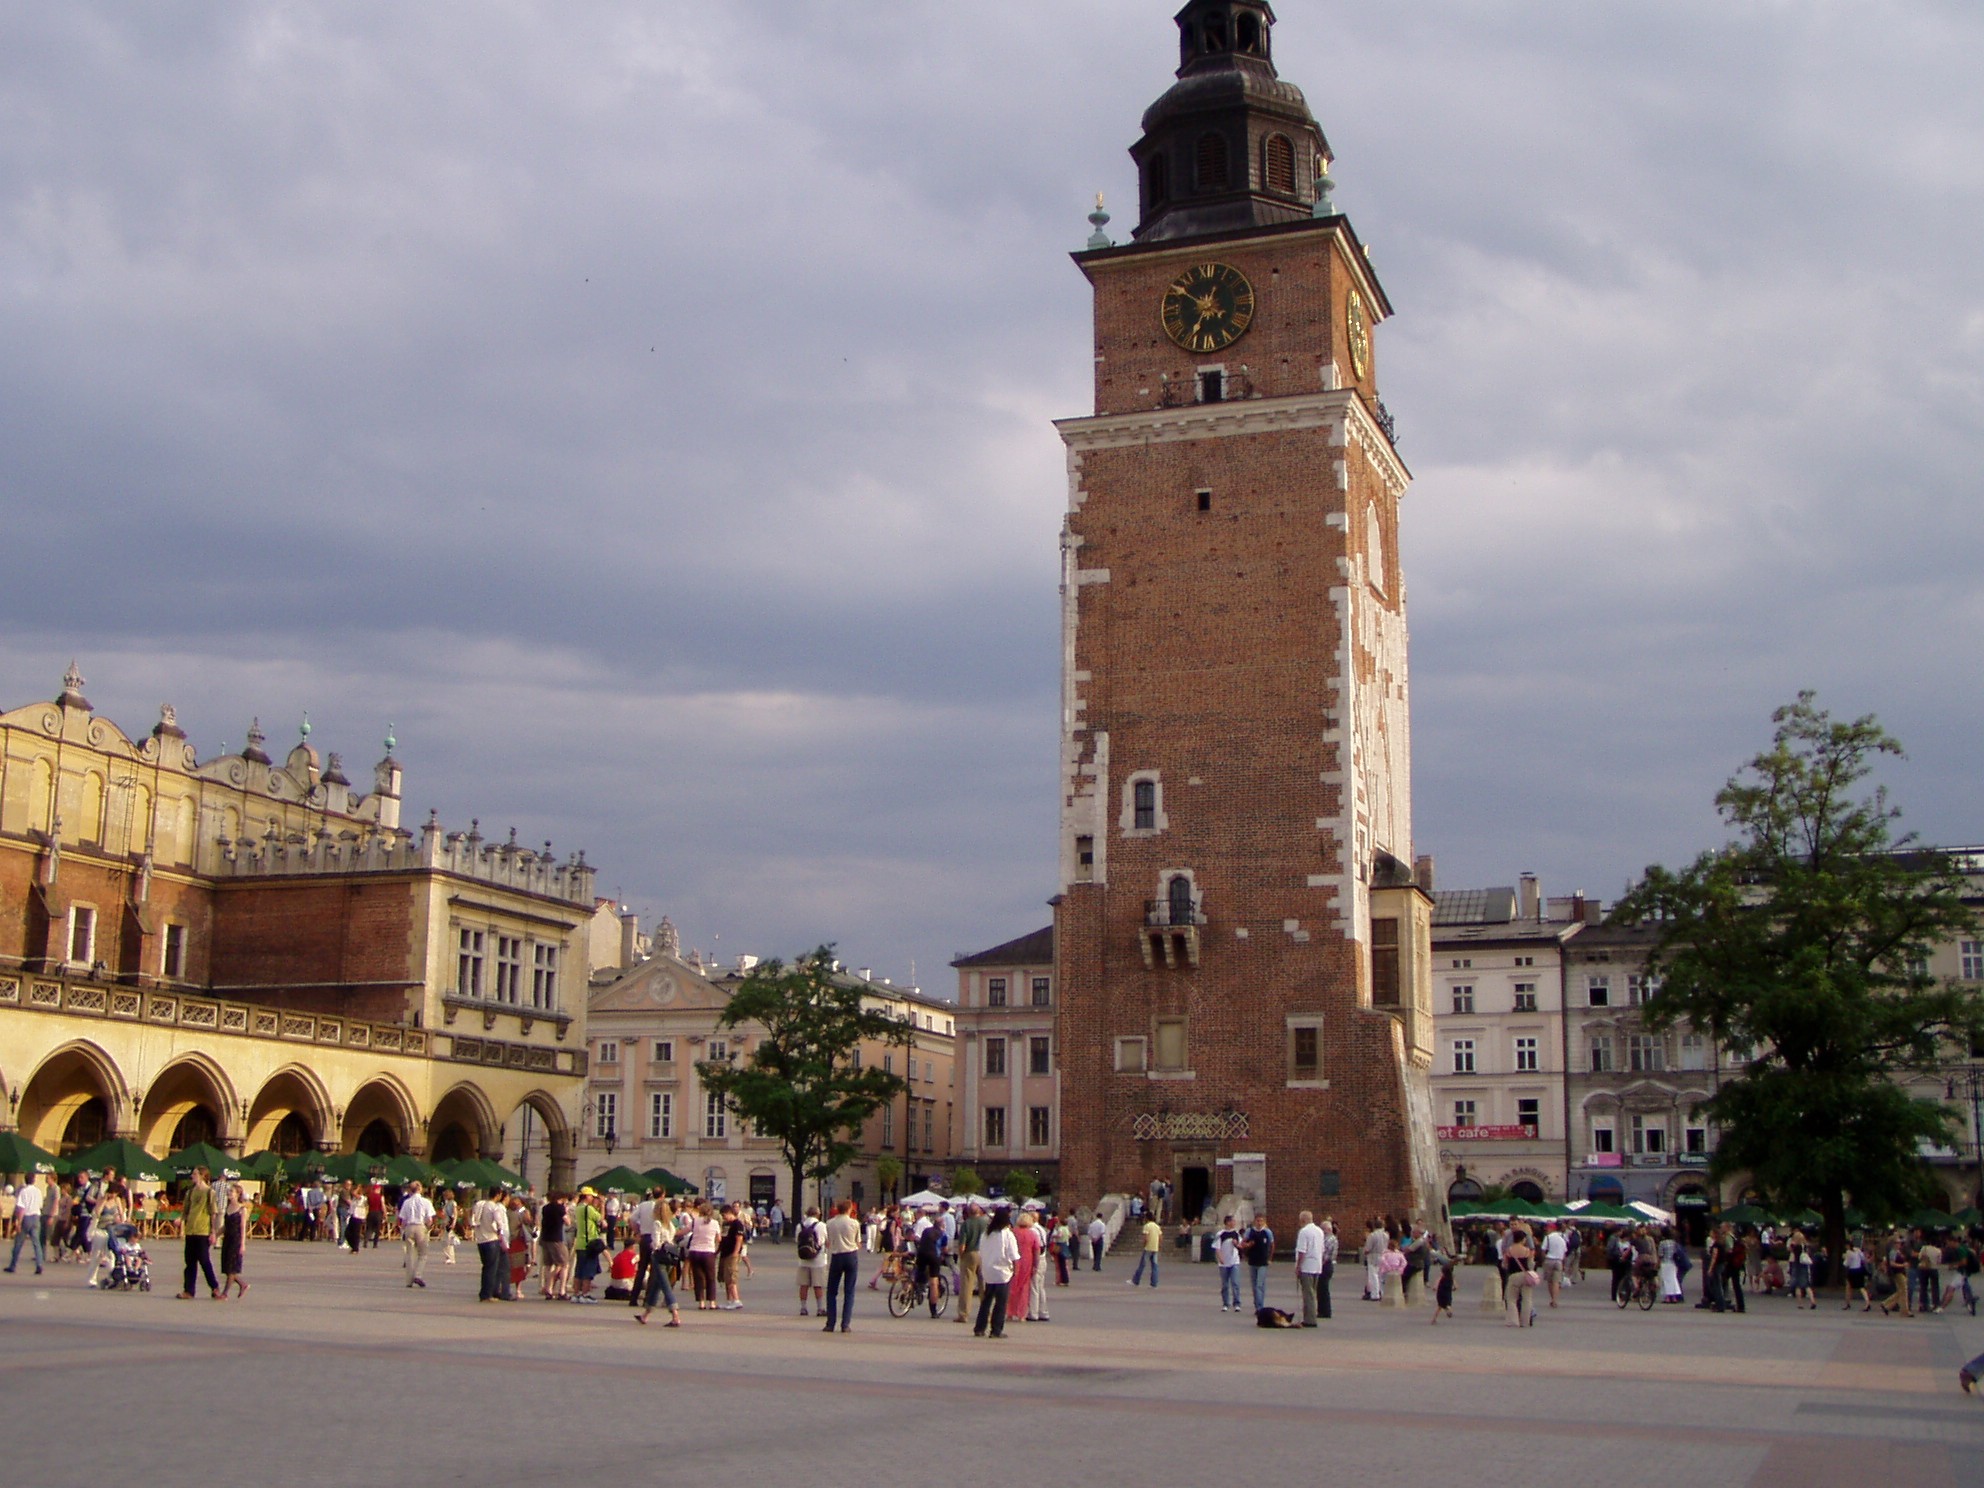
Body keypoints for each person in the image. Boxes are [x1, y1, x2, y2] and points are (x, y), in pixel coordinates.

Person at [635, 1199, 683, 1327]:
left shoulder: (657, 1223)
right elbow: (673, 1239)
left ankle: (675, 1314)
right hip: (669, 1256)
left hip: (659, 1256)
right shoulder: (670, 1224)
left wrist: (652, 1246)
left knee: (665, 1285)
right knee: (656, 1285)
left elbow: (656, 1242)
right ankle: (646, 1314)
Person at [973, 1208, 1019, 1338]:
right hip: (1003, 1272)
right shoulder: (1007, 1234)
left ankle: (979, 1327)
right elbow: (1013, 1255)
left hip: (988, 1271)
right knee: (1000, 1302)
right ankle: (996, 1329)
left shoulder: (986, 1234)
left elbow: (981, 1251)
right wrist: (1015, 1270)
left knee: (986, 1301)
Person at [178, 1166, 222, 1301]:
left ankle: (214, 1287)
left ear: (203, 1176)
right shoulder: (190, 1192)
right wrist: (181, 1224)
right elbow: (185, 1211)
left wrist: (213, 1232)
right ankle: (188, 1290)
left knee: (204, 1260)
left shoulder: (210, 1192)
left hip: (203, 1230)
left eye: (195, 1173)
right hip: (191, 1230)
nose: (192, 1176)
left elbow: (213, 1213)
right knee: (189, 1262)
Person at [822, 1199, 862, 1332]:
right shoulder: (854, 1223)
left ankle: (830, 1323)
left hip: (836, 1255)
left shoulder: (830, 1223)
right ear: (849, 1209)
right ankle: (845, 1324)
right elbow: (858, 1242)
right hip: (851, 1255)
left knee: (832, 1291)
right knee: (849, 1291)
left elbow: (828, 1241)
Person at [470, 1189, 509, 1302]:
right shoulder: (494, 1207)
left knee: (486, 1267)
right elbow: (499, 1223)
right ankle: (488, 1294)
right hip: (491, 1239)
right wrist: (500, 1233)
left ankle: (484, 1292)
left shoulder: (480, 1205)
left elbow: (473, 1218)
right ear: (498, 1195)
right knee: (492, 1268)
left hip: (481, 1240)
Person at [5, 1172, 45, 1275]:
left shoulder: (23, 1191)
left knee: (18, 1242)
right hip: (36, 1216)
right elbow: (40, 1205)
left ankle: (13, 1265)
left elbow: (21, 1208)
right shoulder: (38, 1191)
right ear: (34, 1180)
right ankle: (39, 1264)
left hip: (26, 1217)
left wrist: (18, 1222)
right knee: (36, 1243)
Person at [398, 1180, 435, 1289]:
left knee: (409, 1254)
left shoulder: (407, 1202)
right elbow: (430, 1219)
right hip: (420, 1226)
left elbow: (403, 1220)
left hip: (409, 1227)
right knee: (423, 1253)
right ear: (420, 1189)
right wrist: (428, 1228)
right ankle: (418, 1274)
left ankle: (409, 1280)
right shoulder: (426, 1201)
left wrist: (403, 1229)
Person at [914, 1209, 950, 1318]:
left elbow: (920, 1241)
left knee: (919, 1270)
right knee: (934, 1282)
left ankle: (918, 1288)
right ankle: (933, 1311)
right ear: (942, 1225)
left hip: (921, 1254)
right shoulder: (943, 1235)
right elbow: (944, 1249)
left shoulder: (926, 1231)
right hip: (934, 1256)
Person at [1292, 1210, 1326, 1327]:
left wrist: (1298, 1266)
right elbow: (1322, 1249)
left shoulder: (1304, 1232)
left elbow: (1302, 1251)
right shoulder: (1320, 1231)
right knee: (1312, 1292)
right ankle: (1309, 1316)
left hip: (1307, 1266)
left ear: (1303, 1220)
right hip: (1317, 1265)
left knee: (1308, 1294)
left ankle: (1310, 1319)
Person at [794, 1206, 828, 1315]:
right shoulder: (822, 1226)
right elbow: (827, 1241)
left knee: (803, 1285)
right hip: (818, 1260)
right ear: (818, 1214)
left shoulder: (800, 1226)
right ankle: (820, 1308)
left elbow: (797, 1240)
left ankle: (803, 1308)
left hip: (803, 1259)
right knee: (818, 1285)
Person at [717, 1202, 750, 1309]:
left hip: (732, 1254)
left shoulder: (737, 1224)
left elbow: (739, 1239)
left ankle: (736, 1299)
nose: (723, 1218)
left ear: (728, 1213)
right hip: (726, 1253)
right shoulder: (729, 1225)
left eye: (724, 1215)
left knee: (731, 1277)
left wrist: (735, 1253)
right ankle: (729, 1300)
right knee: (726, 1278)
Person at [537, 1192, 570, 1300]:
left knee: (548, 1264)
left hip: (545, 1238)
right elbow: (568, 1222)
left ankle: (549, 1290)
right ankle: (561, 1291)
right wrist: (566, 1211)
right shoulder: (560, 1208)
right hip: (556, 1238)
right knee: (564, 1264)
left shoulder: (545, 1208)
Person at [1503, 1225, 1537, 1327]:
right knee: (1527, 1299)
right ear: (1523, 1239)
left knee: (1511, 1299)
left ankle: (1513, 1321)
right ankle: (1525, 1321)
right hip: (1525, 1275)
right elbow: (1531, 1264)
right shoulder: (1527, 1251)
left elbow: (1505, 1264)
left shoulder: (1509, 1251)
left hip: (1513, 1275)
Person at [219, 1182, 249, 1299]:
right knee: (227, 1268)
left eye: (231, 1191)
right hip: (227, 1239)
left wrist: (242, 1244)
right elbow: (225, 1226)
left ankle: (225, 1293)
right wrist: (215, 1235)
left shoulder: (242, 1209)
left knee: (231, 1267)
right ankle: (242, 1284)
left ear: (238, 1194)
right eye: (229, 1191)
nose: (229, 1193)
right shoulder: (228, 1207)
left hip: (236, 1240)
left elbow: (243, 1227)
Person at [1244, 1214, 1276, 1311]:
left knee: (1259, 1284)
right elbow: (1244, 1243)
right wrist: (1247, 1247)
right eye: (1258, 1221)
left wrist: (1270, 1258)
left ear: (1264, 1222)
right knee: (1254, 1285)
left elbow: (1272, 1245)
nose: (1259, 1223)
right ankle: (1257, 1303)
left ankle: (1260, 1307)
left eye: (1261, 1221)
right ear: (1255, 1221)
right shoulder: (1250, 1231)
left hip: (1263, 1261)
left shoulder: (1267, 1232)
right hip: (1252, 1261)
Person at [1127, 1209, 1163, 1287]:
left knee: (1142, 1265)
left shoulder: (1147, 1226)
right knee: (1155, 1266)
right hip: (1155, 1248)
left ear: (1147, 1218)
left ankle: (1135, 1280)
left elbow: (1146, 1238)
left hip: (1148, 1248)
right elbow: (1160, 1238)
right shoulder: (1157, 1226)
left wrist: (1144, 1245)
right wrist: (1159, 1245)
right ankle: (1154, 1283)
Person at [1215, 1216, 1243, 1312]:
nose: (1234, 1223)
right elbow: (1217, 1248)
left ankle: (1237, 1303)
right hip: (1224, 1263)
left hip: (1234, 1261)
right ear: (1227, 1222)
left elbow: (1241, 1245)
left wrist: (1236, 1244)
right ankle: (1226, 1303)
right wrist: (1220, 1258)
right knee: (1225, 1284)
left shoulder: (1236, 1233)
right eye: (1232, 1221)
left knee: (1235, 1283)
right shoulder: (1221, 1234)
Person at [1540, 1221, 1568, 1307]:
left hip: (1549, 1260)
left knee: (1549, 1281)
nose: (1546, 1230)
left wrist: (1543, 1260)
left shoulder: (1548, 1237)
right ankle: (1555, 1300)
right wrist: (1564, 1263)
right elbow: (1565, 1252)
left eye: (1548, 1228)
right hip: (1559, 1261)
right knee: (1556, 1282)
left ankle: (1552, 1298)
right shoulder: (1563, 1237)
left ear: (1552, 1229)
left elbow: (1543, 1250)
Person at [1430, 1254, 1457, 1324]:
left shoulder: (1443, 1276)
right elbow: (1455, 1283)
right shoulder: (1451, 1276)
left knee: (1440, 1306)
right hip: (1448, 1291)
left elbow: (1438, 1279)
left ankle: (1434, 1319)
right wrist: (1455, 1287)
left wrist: (1435, 1286)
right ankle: (1448, 1309)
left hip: (1441, 1291)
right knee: (1448, 1303)